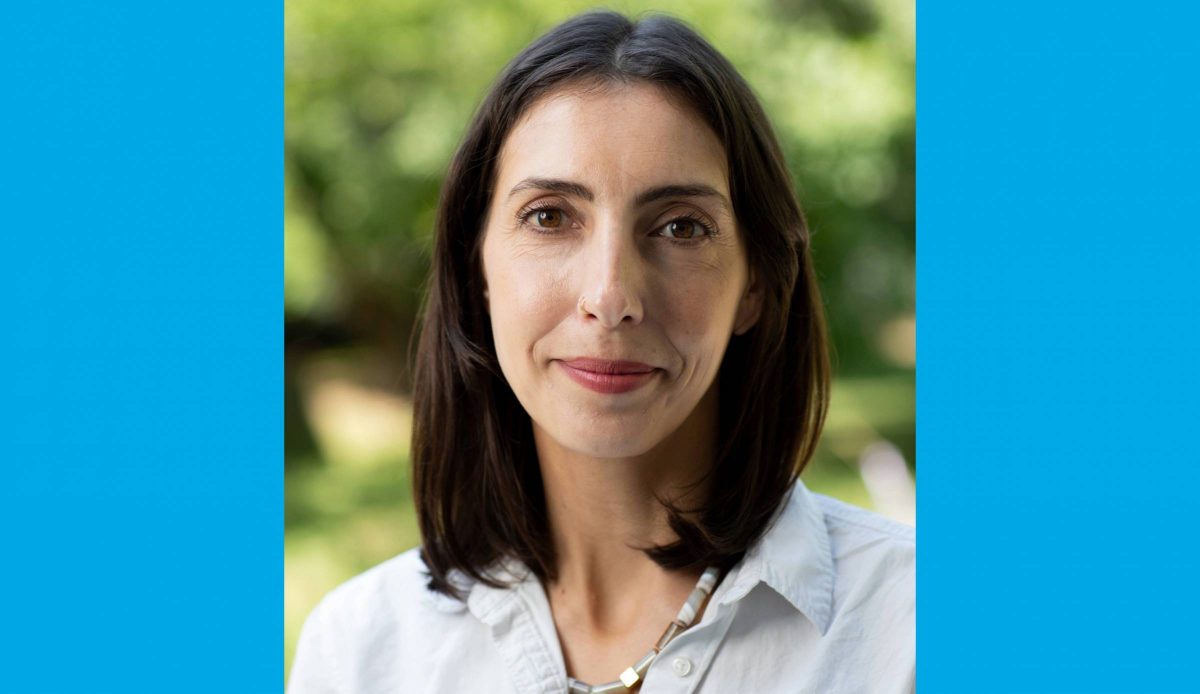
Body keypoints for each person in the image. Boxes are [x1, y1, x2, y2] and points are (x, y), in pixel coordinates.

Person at [288, 9, 914, 693]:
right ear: (478, 270)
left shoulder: (909, 629)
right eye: (550, 216)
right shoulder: (360, 649)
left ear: (755, 285)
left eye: (681, 226)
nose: (610, 295)